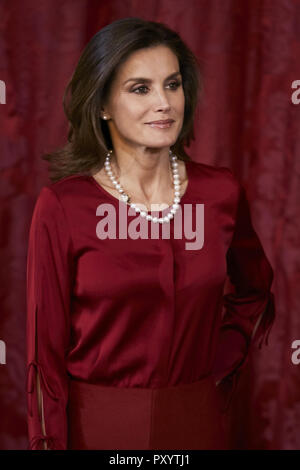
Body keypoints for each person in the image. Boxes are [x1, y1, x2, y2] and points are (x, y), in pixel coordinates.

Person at [26, 17, 275, 450]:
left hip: (197, 423)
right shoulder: (63, 207)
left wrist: (219, 366)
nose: (164, 103)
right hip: (97, 431)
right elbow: (43, 359)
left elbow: (255, 288)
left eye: (173, 84)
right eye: (140, 88)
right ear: (102, 104)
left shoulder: (221, 193)